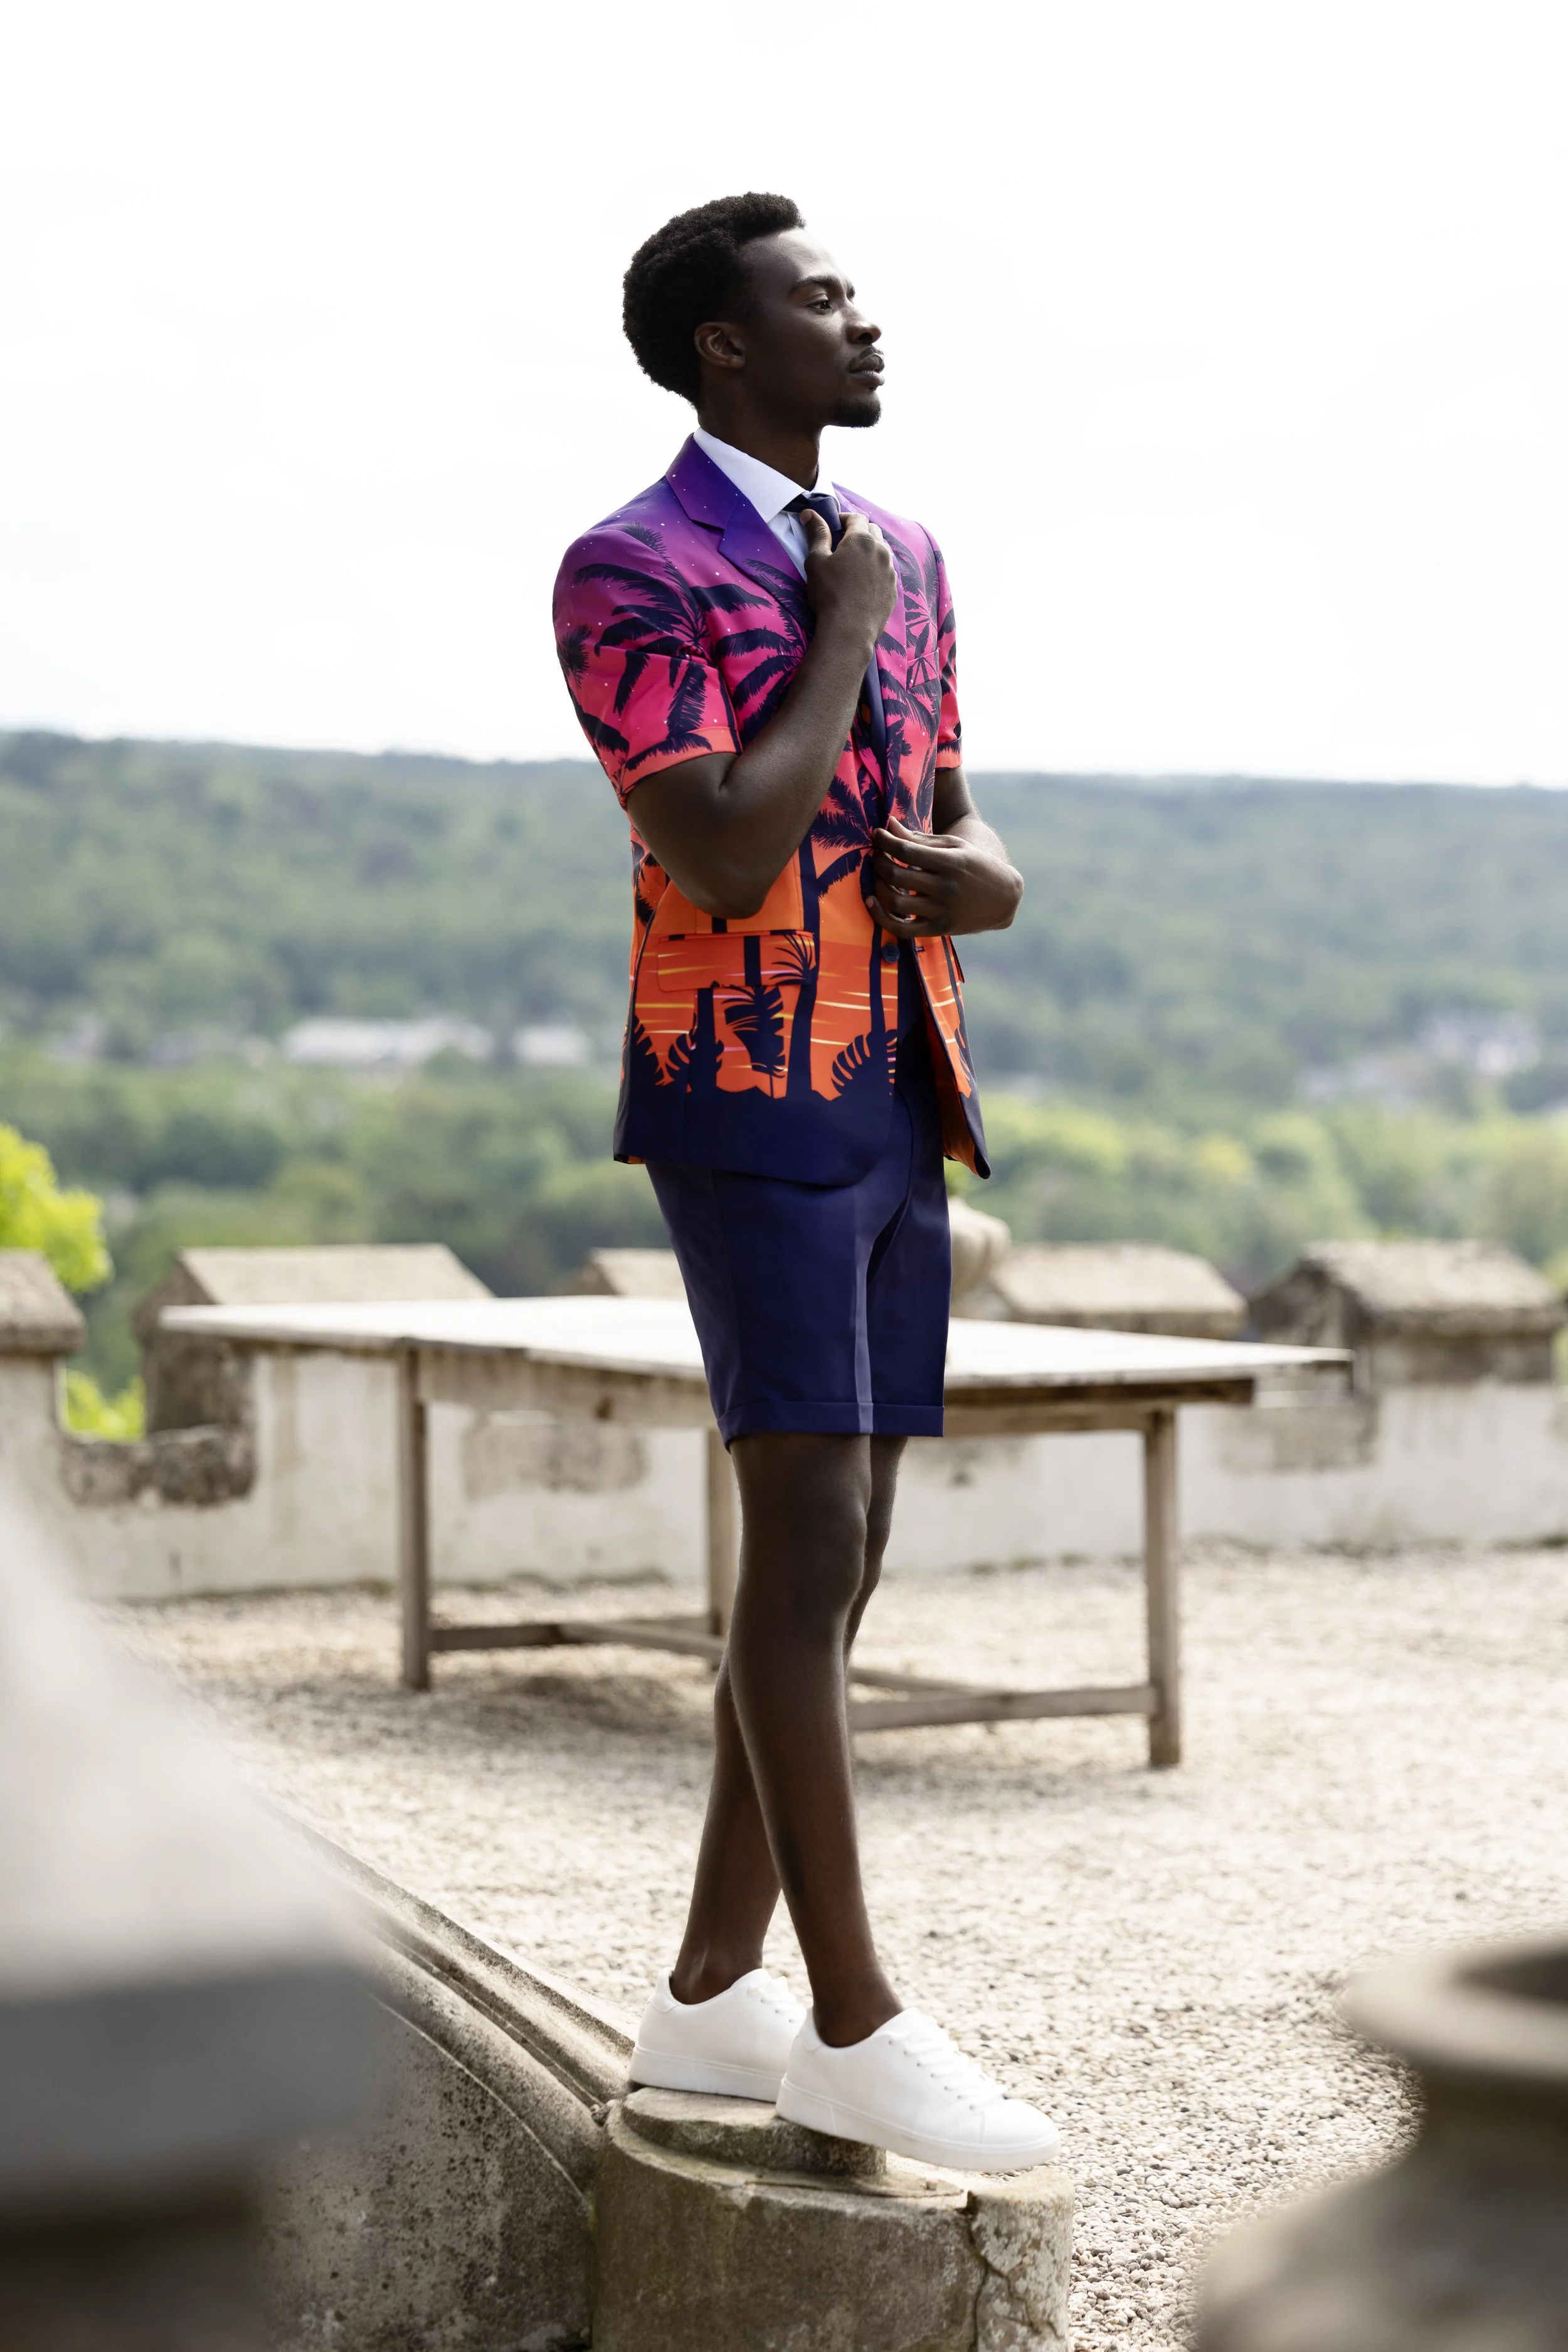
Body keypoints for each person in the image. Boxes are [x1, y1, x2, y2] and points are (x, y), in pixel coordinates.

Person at [553, 193, 1057, 2172]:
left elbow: (945, 799)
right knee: (806, 1518)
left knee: (843, 1555)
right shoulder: (630, 568)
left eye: (852, 291)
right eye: (816, 299)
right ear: (719, 350)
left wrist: (993, 868)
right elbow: (724, 851)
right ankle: (849, 2017)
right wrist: (832, 635)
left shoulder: (907, 553)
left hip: (900, 1079)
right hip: (741, 1081)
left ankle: (705, 1994)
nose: (862, 320)